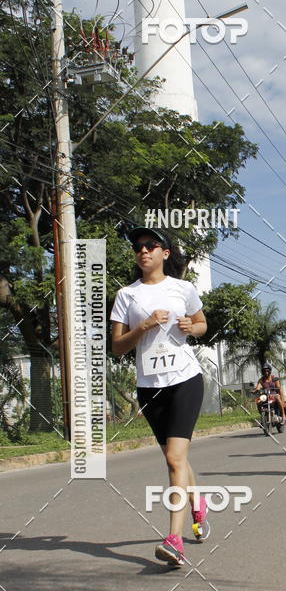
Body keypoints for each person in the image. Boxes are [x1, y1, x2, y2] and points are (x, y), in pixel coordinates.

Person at [110, 227, 209, 569]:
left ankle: (174, 540)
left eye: (150, 245)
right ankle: (198, 503)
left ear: (165, 253)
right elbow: (118, 347)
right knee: (174, 456)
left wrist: (190, 328)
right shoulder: (126, 295)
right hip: (149, 385)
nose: (143, 251)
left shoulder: (182, 288)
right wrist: (144, 327)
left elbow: (202, 324)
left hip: (184, 378)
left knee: (173, 459)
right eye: (138, 247)